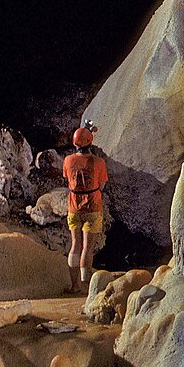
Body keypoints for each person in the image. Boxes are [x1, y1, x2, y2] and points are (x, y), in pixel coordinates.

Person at [62, 123, 108, 295]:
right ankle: (85, 287)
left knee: (75, 245)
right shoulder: (99, 162)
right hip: (93, 207)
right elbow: (102, 185)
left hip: (74, 207)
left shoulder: (68, 161)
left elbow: (67, 177)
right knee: (88, 248)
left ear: (75, 144)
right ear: (91, 142)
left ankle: (74, 286)